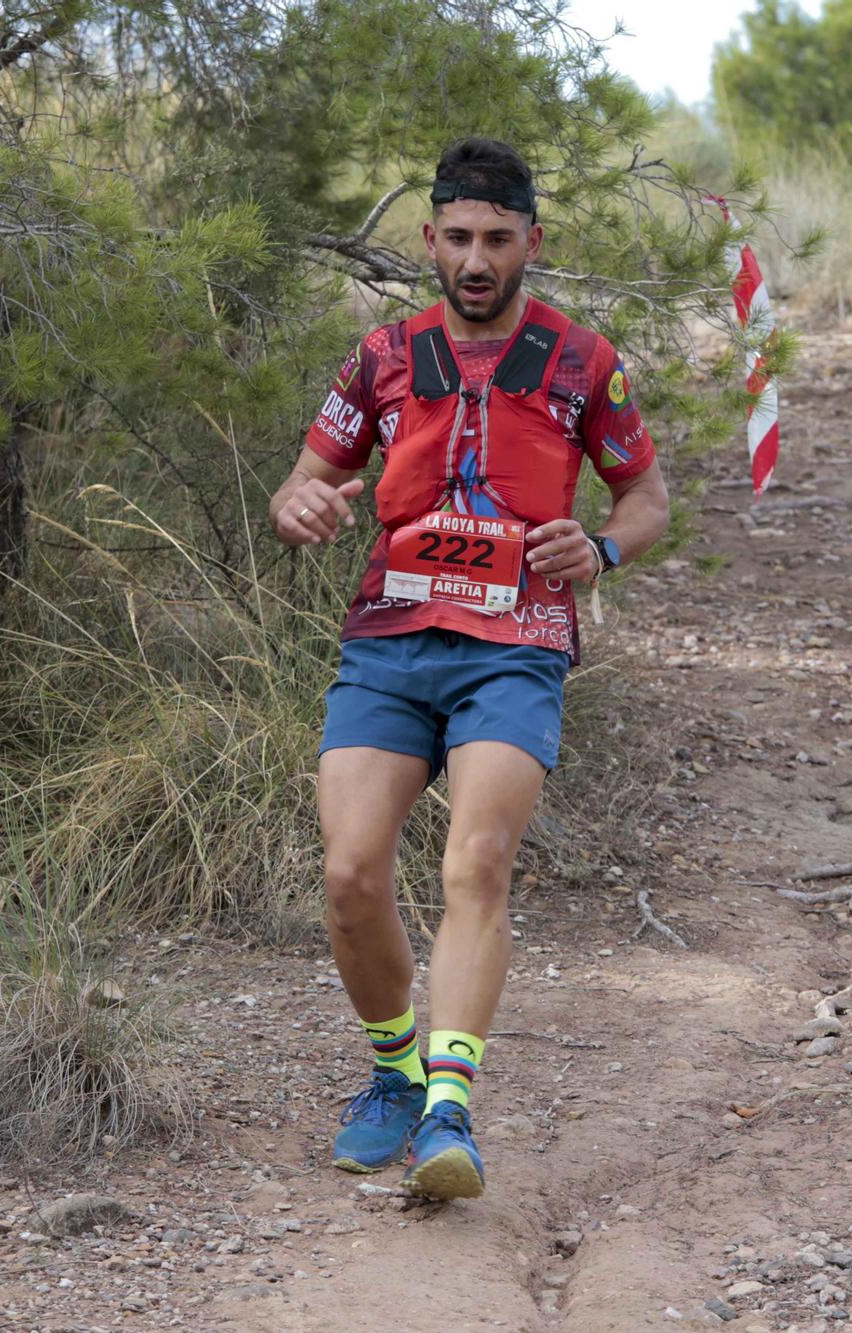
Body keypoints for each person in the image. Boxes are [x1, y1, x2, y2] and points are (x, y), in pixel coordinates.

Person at [268, 137, 669, 1201]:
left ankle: (451, 1109)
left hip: (515, 649)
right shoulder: (381, 357)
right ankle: (393, 1073)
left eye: (497, 239)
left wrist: (603, 549)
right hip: (390, 642)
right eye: (457, 238)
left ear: (532, 241)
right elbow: (304, 482)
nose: (477, 258)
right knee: (350, 876)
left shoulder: (584, 361)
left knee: (473, 865)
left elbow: (645, 498)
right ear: (429, 240)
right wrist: (300, 504)